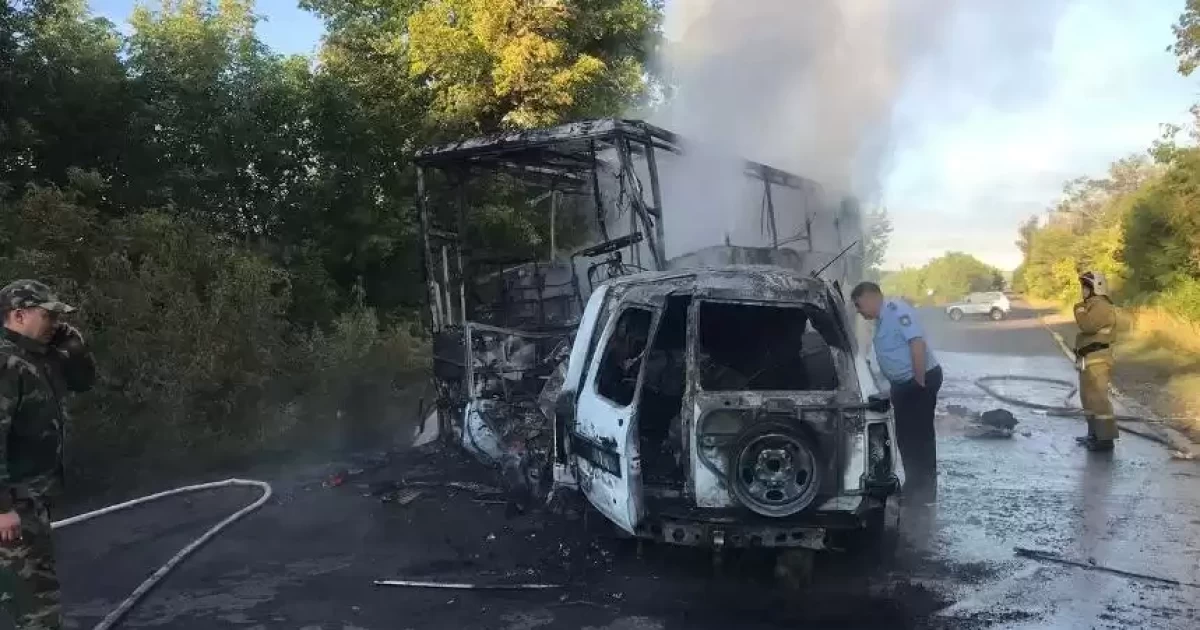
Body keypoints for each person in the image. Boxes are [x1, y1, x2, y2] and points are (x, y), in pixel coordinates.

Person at [0, 279, 96, 630]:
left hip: (34, 494)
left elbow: (84, 383)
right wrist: (3, 508)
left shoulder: (38, 356)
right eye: (48, 315)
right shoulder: (4, 362)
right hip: (14, 501)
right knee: (36, 601)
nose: (56, 322)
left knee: (32, 590)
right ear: (19, 314)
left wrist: (75, 349)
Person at [851, 282, 943, 504]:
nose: (858, 310)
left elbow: (917, 343)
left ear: (871, 298)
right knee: (905, 437)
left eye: (858, 304)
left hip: (918, 382)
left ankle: (924, 493)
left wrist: (919, 383)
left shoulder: (896, 310)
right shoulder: (882, 319)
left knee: (919, 438)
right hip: (904, 385)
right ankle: (914, 486)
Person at [1073, 271, 1118, 452]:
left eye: (1085, 287)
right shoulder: (1091, 305)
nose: (1082, 291)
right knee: (1088, 399)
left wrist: (1078, 309)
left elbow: (1088, 326)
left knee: (1099, 400)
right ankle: (1094, 434)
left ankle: (1105, 440)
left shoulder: (1101, 305)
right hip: (1088, 359)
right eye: (1083, 287)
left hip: (1098, 359)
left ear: (1095, 288)